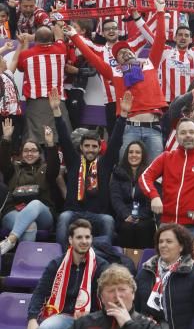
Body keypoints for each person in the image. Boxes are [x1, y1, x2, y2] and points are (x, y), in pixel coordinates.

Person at [64, 3, 167, 162]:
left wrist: (160, 12)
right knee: (124, 170)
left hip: (153, 128)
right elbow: (91, 56)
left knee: (156, 171)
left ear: (134, 52)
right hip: (130, 128)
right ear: (117, 62)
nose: (124, 53)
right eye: (119, 54)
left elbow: (160, 39)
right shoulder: (115, 72)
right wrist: (74, 36)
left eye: (126, 50)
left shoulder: (149, 63)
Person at [50, 87, 133, 250]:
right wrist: (56, 111)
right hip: (73, 212)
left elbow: (115, 142)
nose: (90, 149)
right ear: (81, 147)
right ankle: (61, 256)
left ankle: (102, 254)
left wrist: (123, 115)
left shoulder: (104, 163)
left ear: (99, 148)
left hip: (97, 215)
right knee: (63, 217)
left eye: (94, 146)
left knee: (108, 221)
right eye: (86, 146)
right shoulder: (73, 161)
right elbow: (65, 138)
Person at [27, 219, 108, 329]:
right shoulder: (56, 264)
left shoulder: (101, 266)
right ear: (70, 240)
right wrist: (32, 319)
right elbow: (40, 292)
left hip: (92, 318)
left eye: (87, 237)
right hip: (63, 316)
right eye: (79, 237)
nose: (84, 241)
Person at [139, 118, 194, 235]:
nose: (187, 135)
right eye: (183, 132)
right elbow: (145, 177)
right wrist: (154, 196)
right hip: (168, 225)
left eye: (191, 132)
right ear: (176, 137)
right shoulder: (166, 158)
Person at [0, 120, 59, 255]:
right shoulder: (13, 168)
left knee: (35, 204)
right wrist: (7, 138)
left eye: (33, 150)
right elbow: (3, 161)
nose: (29, 153)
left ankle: (10, 240)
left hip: (42, 214)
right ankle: (23, 263)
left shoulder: (45, 169)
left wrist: (50, 144)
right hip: (14, 211)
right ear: (21, 154)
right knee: (30, 225)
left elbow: (55, 167)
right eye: (26, 151)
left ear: (39, 153)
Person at [17, 23, 73, 143]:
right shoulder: (61, 50)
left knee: (34, 139)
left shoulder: (26, 55)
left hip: (35, 103)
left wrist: (26, 42)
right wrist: (55, 19)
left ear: (35, 40)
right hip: (58, 101)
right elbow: (59, 35)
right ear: (51, 39)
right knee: (61, 136)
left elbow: (20, 67)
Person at [110, 141, 154, 249]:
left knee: (143, 227)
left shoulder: (150, 173)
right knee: (127, 227)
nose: (134, 155)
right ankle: (125, 261)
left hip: (144, 216)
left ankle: (143, 262)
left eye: (138, 152)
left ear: (143, 155)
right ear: (126, 154)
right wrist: (126, 215)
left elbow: (151, 198)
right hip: (124, 216)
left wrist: (140, 216)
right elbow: (116, 198)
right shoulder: (117, 173)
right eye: (131, 152)